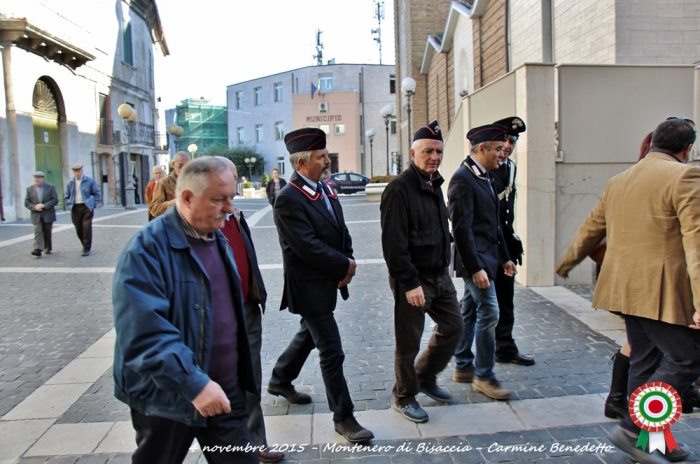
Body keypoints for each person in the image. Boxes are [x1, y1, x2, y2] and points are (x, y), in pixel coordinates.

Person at [557, 118, 699, 464]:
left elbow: (591, 227)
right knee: (687, 358)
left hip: (626, 290)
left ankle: (653, 442)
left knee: (645, 361)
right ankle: (634, 429)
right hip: (661, 292)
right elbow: (696, 241)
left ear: (653, 144)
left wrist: (566, 262)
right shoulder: (685, 175)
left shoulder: (619, 180)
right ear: (687, 149)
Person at [113, 157, 258, 464]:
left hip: (223, 392)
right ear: (187, 198)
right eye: (219, 199)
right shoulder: (145, 250)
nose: (229, 208)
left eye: (231, 198)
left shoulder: (216, 236)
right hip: (168, 398)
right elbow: (143, 334)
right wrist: (195, 384)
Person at [267, 127, 373, 443]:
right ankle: (344, 417)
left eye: (326, 155)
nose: (328, 161)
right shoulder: (288, 199)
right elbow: (307, 246)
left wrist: (348, 260)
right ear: (301, 163)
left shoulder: (325, 189)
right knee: (331, 350)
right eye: (321, 156)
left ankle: (279, 379)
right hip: (308, 286)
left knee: (307, 336)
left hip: (328, 280)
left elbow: (342, 230)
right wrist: (344, 265)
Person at [380, 121, 463, 423]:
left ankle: (425, 377)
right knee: (408, 342)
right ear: (413, 153)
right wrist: (410, 283)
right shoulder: (399, 189)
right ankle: (404, 396)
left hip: (440, 276)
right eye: (428, 151)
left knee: (454, 326)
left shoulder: (434, 183)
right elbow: (394, 245)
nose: (435, 156)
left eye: (439, 151)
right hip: (413, 280)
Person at [217, 157, 284, 463]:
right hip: (217, 316)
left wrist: (256, 292)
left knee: (251, 377)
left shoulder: (236, 214)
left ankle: (256, 439)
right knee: (220, 381)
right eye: (227, 184)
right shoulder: (197, 221)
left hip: (246, 307)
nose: (233, 192)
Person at [449, 124, 517, 401]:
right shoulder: (463, 179)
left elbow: (494, 224)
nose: (503, 154)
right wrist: (475, 268)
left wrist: (505, 257)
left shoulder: (485, 176)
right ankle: (484, 375)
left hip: (489, 258)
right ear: (482, 149)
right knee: (490, 311)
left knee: (470, 312)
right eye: (499, 149)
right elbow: (461, 230)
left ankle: (464, 366)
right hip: (474, 261)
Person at [489, 117, 534, 367]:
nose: (508, 144)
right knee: (478, 303)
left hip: (504, 243)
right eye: (504, 139)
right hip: (486, 246)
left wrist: (510, 242)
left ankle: (505, 347)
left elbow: (507, 211)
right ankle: (460, 351)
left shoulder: (511, 168)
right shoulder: (483, 167)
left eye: (513, 140)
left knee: (506, 301)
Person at [64, 164, 101, 257]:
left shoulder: (90, 181)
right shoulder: (70, 182)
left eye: (78, 171)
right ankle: (84, 244)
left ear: (82, 171)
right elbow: (66, 196)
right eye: (75, 172)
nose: (77, 173)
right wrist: (69, 204)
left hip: (87, 207)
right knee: (78, 228)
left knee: (86, 227)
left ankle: (86, 248)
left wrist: (93, 204)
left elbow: (97, 194)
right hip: (75, 207)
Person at [24, 171, 58, 257]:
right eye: (35, 178)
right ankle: (37, 249)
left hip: (48, 213)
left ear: (42, 178)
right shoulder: (29, 189)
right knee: (38, 231)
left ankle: (48, 247)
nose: (37, 179)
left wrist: (44, 205)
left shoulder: (51, 187)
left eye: (38, 178)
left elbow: (55, 200)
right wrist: (34, 207)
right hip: (36, 214)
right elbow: (27, 202)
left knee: (47, 232)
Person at [149, 151, 190, 218]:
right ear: (173, 164)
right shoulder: (163, 182)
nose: (184, 169)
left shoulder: (194, 181)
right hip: (172, 224)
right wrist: (177, 201)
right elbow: (154, 209)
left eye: (187, 166)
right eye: (181, 166)